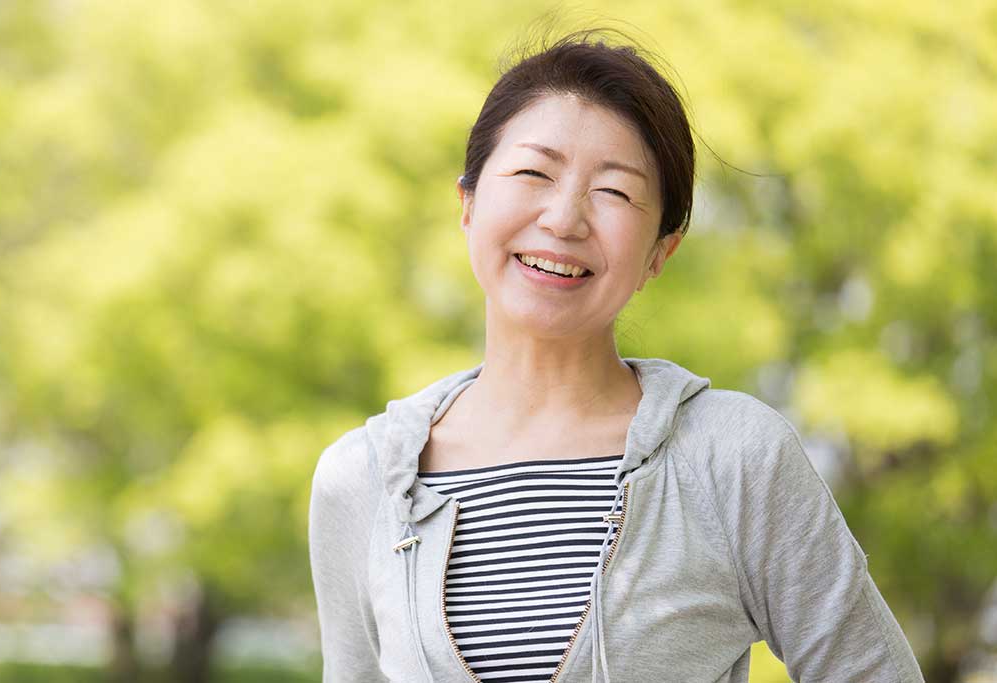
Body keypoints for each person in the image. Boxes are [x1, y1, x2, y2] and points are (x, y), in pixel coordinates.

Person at [307, 28, 926, 683]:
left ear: (661, 251)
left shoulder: (734, 458)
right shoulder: (365, 479)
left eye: (615, 191)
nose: (565, 218)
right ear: (467, 202)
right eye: (532, 172)